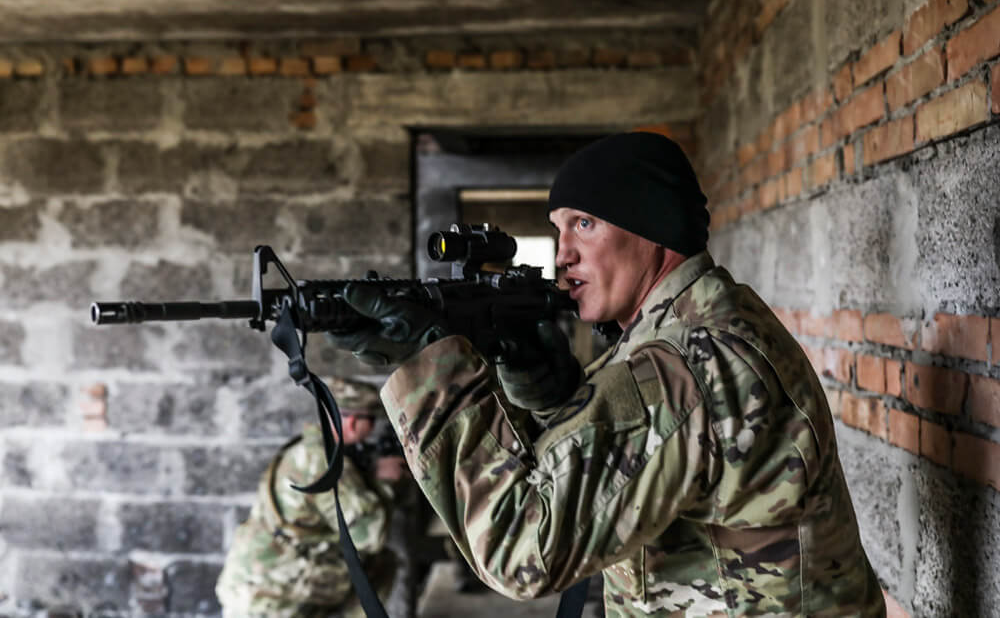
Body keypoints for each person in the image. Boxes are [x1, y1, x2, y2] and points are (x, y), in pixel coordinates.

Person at [326, 132, 886, 616]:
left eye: (584, 224)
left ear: (652, 228)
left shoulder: (681, 368)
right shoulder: (713, 320)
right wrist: (550, 398)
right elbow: (623, 465)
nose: (562, 254)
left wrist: (429, 372)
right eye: (558, 229)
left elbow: (521, 551)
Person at [215, 376, 406, 618]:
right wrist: (385, 483)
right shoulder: (325, 463)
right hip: (272, 596)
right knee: (380, 563)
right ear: (353, 423)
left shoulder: (304, 449)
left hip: (250, 578)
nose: (371, 432)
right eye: (371, 420)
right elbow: (370, 535)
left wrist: (370, 472)